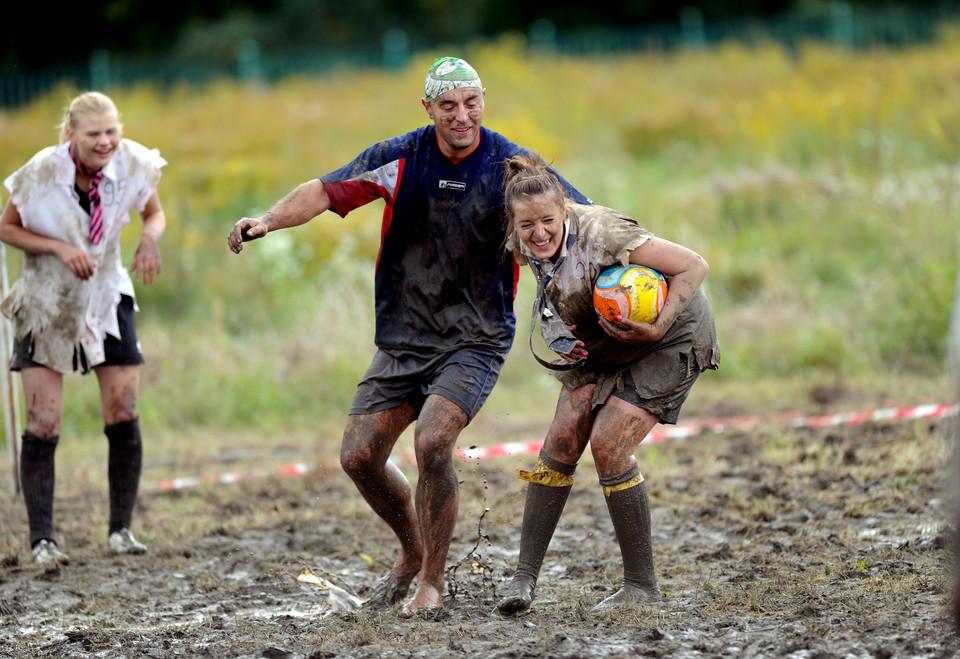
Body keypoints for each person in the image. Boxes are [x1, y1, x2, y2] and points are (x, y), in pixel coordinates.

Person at [227, 57, 590, 617]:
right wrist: (268, 220)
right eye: (448, 106)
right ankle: (411, 550)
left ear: (483, 100)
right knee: (358, 456)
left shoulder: (512, 164)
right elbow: (325, 190)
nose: (461, 116)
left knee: (432, 442)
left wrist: (633, 266)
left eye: (471, 103)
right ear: (428, 108)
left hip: (476, 338)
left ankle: (432, 584)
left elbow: (580, 214)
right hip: (403, 339)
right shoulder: (401, 157)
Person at [495, 153, 719, 614]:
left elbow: (694, 266)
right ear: (513, 224)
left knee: (609, 441)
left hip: (670, 334)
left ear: (565, 211)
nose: (539, 234)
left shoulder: (603, 232)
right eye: (527, 225)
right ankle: (523, 581)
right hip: (605, 340)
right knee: (559, 438)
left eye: (548, 222)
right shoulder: (520, 245)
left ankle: (641, 588)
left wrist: (657, 326)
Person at [0, 91, 166, 566]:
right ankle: (43, 541)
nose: (106, 141)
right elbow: (6, 228)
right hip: (47, 300)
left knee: (123, 407)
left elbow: (153, 212)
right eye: (94, 134)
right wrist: (55, 247)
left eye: (112, 131)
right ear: (71, 134)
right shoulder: (40, 172)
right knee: (43, 420)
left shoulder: (132, 162)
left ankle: (120, 531)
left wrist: (149, 240)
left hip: (106, 294)